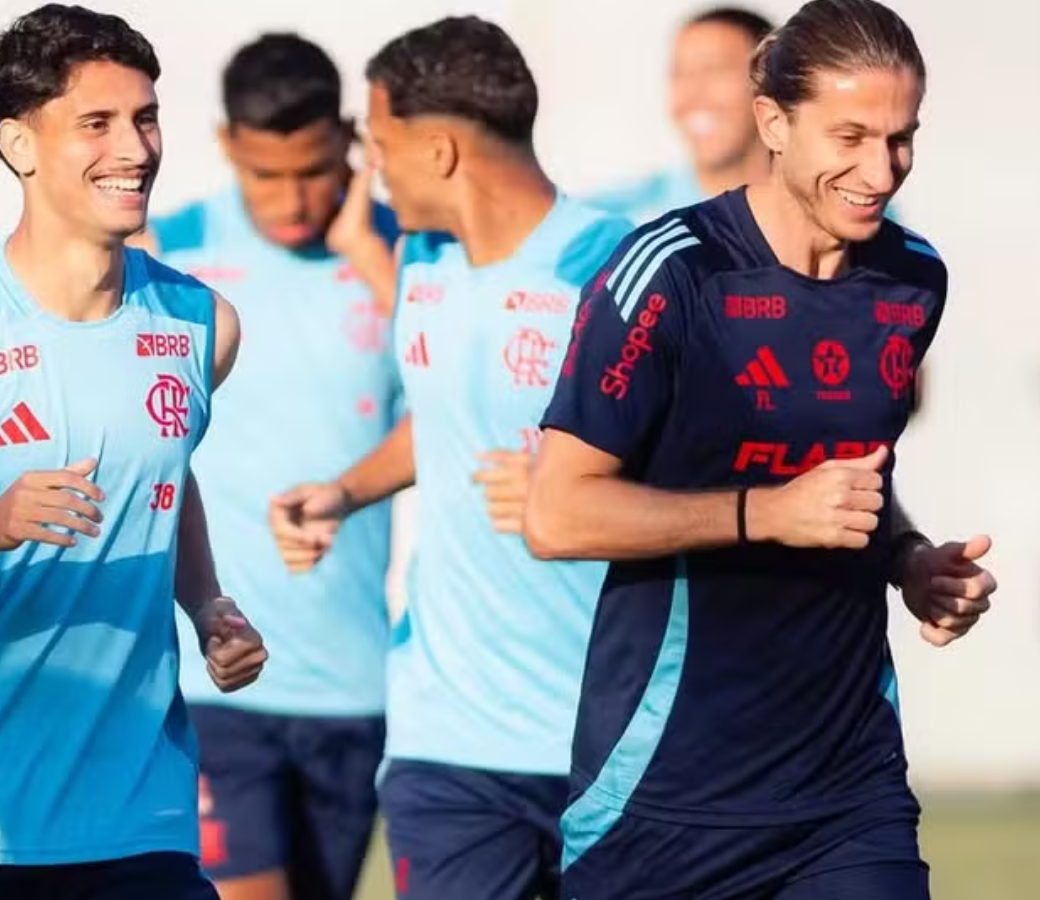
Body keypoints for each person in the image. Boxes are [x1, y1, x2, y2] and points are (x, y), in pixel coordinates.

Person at [524, 1, 997, 898]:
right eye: (850, 137)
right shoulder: (669, 273)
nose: (881, 171)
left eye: (901, 138)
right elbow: (557, 512)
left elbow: (855, 472)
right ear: (773, 122)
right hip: (664, 797)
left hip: (848, 791)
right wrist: (764, 513)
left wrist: (908, 558)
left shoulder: (913, 280)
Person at [0, 5, 266, 899]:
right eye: (97, 124)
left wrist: (206, 605)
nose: (135, 149)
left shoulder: (203, 326)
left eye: (146, 118)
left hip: (142, 826)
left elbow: (164, 471)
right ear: (19, 145)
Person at [268, 17, 634, 900]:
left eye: (379, 142)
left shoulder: (616, 269)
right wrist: (345, 493)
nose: (369, 168)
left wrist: (575, 486)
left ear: (437, 151)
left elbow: (704, 462)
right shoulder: (421, 262)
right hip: (447, 738)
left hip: (607, 735)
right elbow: (443, 422)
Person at [136, 33, 400, 900]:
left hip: (355, 682)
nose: (291, 199)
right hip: (211, 674)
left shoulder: (404, 256)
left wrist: (370, 253)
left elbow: (459, 413)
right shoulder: (167, 258)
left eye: (314, 171)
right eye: (265, 176)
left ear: (350, 141)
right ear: (226, 146)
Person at [591, 6, 775, 224]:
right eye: (679, 74)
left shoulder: (808, 213)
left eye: (714, 69)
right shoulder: (610, 225)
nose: (691, 95)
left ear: (773, 84)